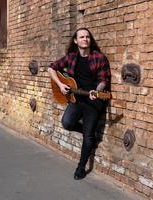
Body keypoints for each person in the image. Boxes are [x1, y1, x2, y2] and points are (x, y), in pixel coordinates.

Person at [47, 28, 111, 180]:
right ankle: (90, 134)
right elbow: (51, 68)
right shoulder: (71, 57)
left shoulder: (99, 57)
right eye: (81, 37)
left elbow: (104, 80)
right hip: (76, 99)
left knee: (87, 137)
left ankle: (81, 167)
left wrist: (97, 91)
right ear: (76, 41)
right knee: (67, 123)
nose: (85, 39)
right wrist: (61, 85)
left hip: (93, 101)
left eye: (87, 37)